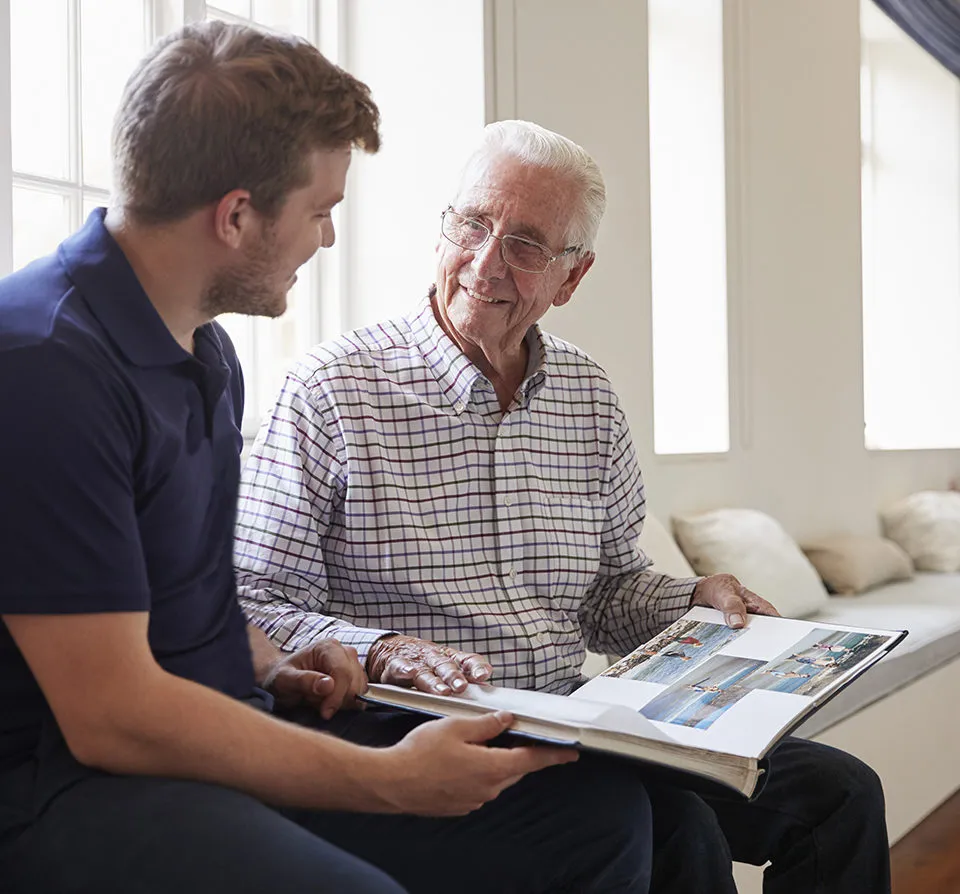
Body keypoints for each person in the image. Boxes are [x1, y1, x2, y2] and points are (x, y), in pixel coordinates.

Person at [0, 26, 656, 894]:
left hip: (223, 720)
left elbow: (193, 602)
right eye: (320, 211)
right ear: (237, 216)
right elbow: (112, 717)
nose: (329, 240)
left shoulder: (204, 354)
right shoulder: (42, 363)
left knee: (606, 823)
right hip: (66, 783)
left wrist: (277, 664)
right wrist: (392, 782)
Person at [235, 119, 892, 894]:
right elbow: (257, 600)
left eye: (526, 244)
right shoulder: (329, 390)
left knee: (841, 796)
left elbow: (610, 592)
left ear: (570, 279)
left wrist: (694, 599)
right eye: (474, 224)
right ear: (444, 226)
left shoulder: (589, 398)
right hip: (418, 728)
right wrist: (384, 648)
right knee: (678, 826)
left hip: (581, 716)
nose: (486, 262)